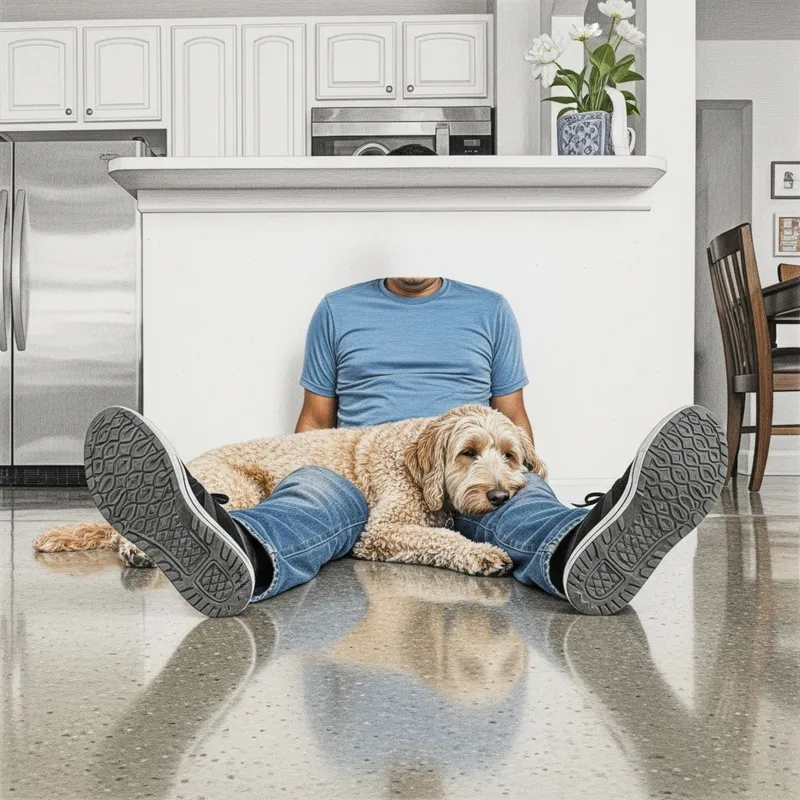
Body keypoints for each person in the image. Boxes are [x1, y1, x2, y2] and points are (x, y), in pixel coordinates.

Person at [85, 277, 726, 617]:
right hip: (355, 467)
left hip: (459, 462)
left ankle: (578, 546)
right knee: (313, 494)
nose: (498, 470)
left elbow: (513, 426)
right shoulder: (337, 308)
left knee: (517, 499)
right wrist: (311, 469)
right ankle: (226, 544)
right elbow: (315, 426)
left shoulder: (491, 309)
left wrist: (520, 467)